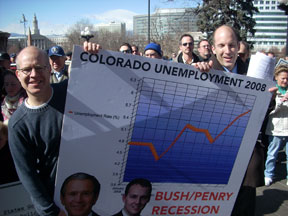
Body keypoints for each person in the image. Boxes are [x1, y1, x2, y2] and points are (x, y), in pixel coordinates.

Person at [8, 43, 101, 216]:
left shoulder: (71, 90)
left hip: (99, 198)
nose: (34, 75)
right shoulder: (18, 125)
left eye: (39, 67)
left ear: (49, 68)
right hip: (61, 207)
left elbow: (103, 79)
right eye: (27, 69)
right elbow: (28, 176)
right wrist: (50, 210)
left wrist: (94, 54)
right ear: (18, 74)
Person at [210, 24, 263, 216]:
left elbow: (263, 117)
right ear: (213, 48)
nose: (227, 51)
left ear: (238, 45)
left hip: (245, 161)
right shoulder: (203, 73)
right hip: (213, 157)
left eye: (231, 45)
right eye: (221, 45)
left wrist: (269, 100)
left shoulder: (255, 74)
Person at [264, 64, 288, 186]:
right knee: (272, 154)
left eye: (287, 78)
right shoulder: (272, 91)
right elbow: (269, 111)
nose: (285, 81)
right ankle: (268, 174)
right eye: (283, 78)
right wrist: (281, 102)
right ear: (276, 77)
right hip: (275, 128)